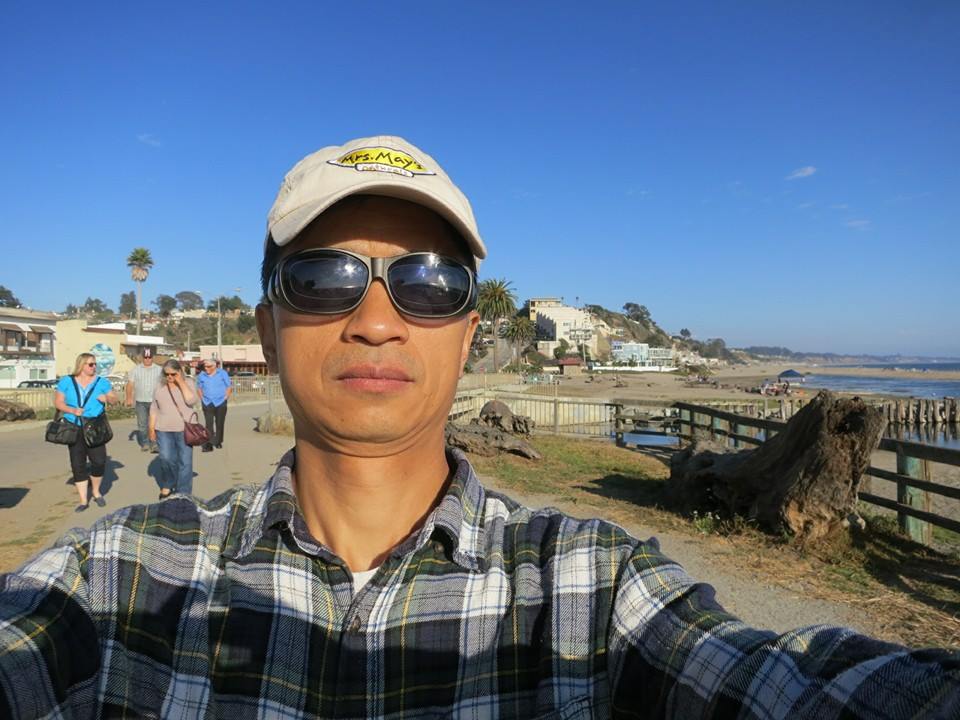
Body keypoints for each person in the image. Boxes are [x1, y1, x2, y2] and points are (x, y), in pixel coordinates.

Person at [1, 136, 957, 718]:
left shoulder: (586, 588)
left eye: (429, 283)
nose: (377, 319)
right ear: (268, 329)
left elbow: (780, 680)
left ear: (466, 337)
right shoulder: (126, 575)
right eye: (324, 278)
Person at [52, 352, 118, 512]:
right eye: (91, 364)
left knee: (99, 461)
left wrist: (107, 399)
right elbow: (58, 402)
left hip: (95, 427)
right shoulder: (66, 381)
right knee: (77, 463)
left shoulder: (102, 382)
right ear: (81, 365)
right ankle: (83, 500)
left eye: (95, 364)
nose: (94, 367)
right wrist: (72, 410)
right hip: (74, 426)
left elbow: (114, 399)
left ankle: (96, 491)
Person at [147, 359, 197, 500]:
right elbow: (154, 408)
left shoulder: (189, 383)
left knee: (185, 462)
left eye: (173, 374)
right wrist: (151, 428)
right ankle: (169, 482)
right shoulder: (159, 386)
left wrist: (180, 382)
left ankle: (183, 493)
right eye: (166, 374)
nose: (169, 377)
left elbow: (191, 400)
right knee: (166, 458)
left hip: (185, 429)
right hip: (163, 429)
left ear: (179, 372)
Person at [125, 347, 162, 452]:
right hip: (140, 401)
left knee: (154, 424)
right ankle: (145, 443)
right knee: (142, 425)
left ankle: (154, 444)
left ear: (152, 358)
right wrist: (129, 398)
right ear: (142, 358)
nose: (147, 359)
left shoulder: (159, 370)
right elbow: (130, 384)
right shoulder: (135, 370)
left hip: (155, 402)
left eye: (149, 357)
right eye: (145, 357)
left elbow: (164, 384)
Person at [195, 357, 231, 452]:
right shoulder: (201, 375)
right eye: (205, 366)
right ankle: (209, 444)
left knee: (220, 423)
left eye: (208, 366)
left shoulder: (222, 373)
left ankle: (218, 441)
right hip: (207, 402)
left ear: (214, 366)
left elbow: (228, 386)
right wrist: (202, 398)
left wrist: (226, 397)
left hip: (221, 402)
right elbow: (199, 388)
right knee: (209, 424)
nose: (206, 368)